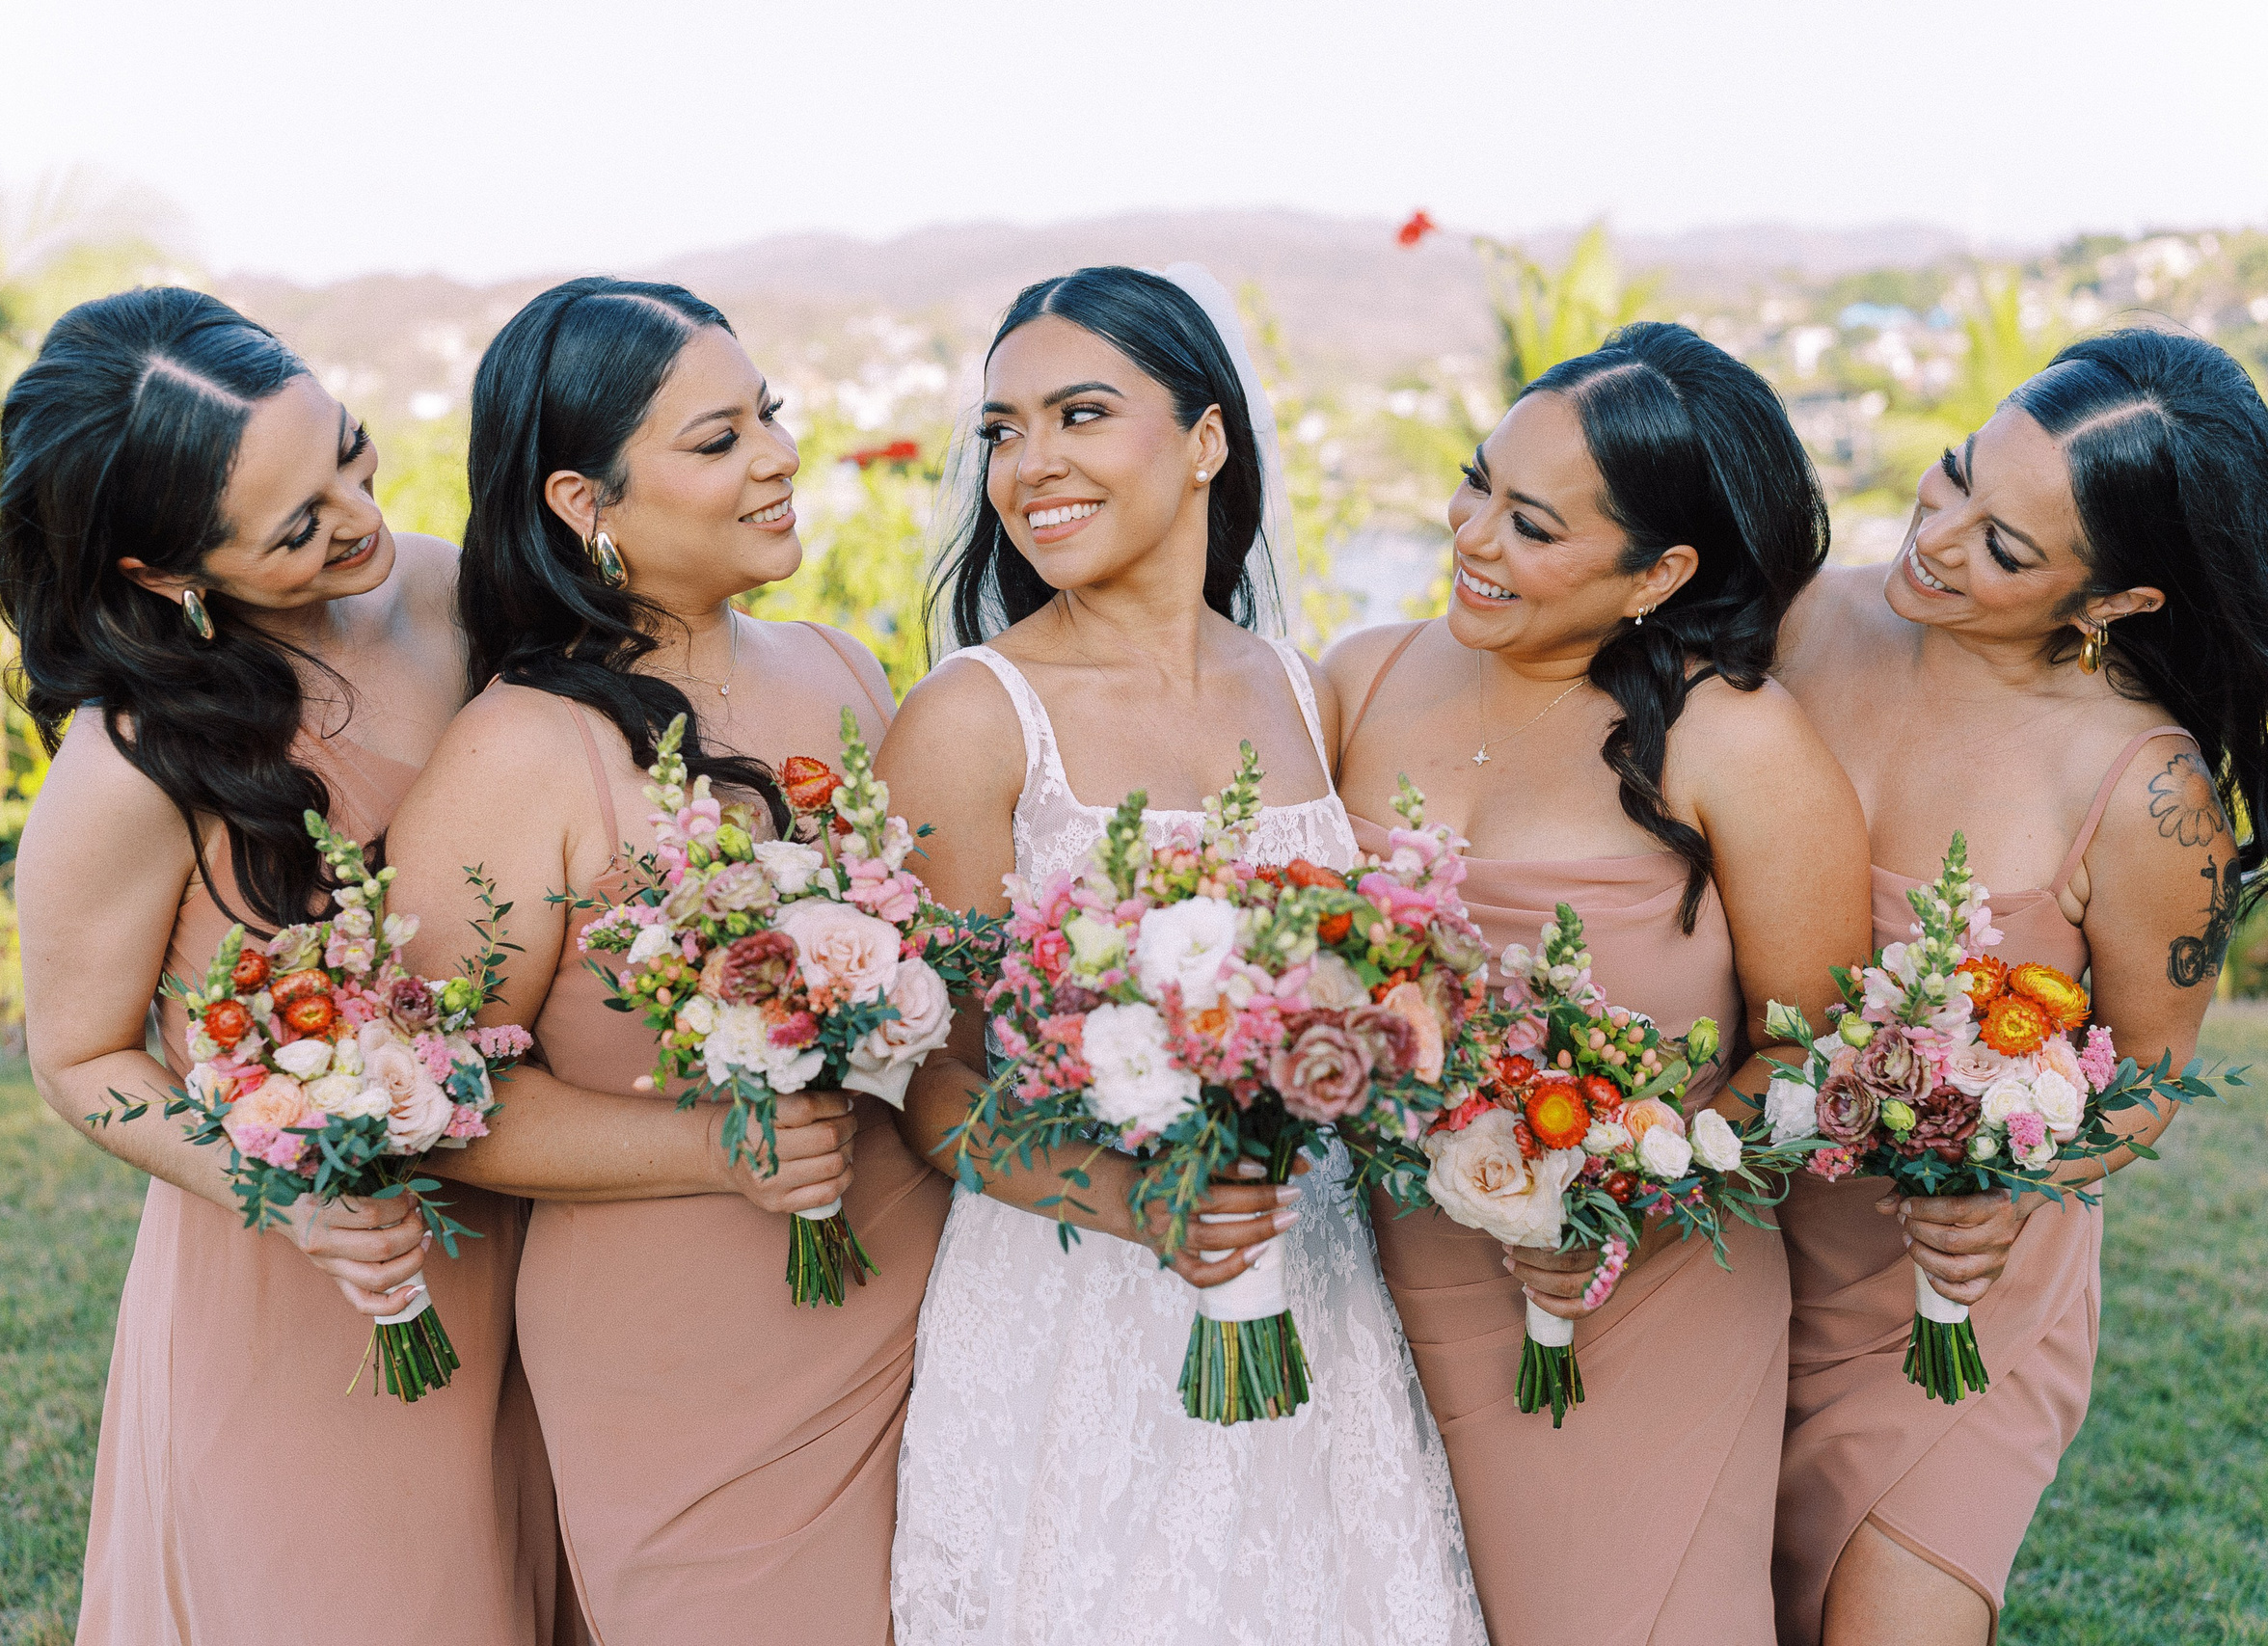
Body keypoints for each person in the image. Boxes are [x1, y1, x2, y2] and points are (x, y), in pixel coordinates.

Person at [881, 264, 1487, 1645]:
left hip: (1312, 1272)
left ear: (1207, 440)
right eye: (1002, 432)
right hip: (1075, 1295)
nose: (1033, 466)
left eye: (1081, 415)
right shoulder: (975, 720)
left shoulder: (1300, 687)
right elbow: (927, 1090)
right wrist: (1138, 1205)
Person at [0, 287, 561, 1645]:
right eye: (299, 526)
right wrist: (290, 1197)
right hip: (316, 1288)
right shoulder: (133, 763)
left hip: (536, 1229)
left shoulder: (453, 595)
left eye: (350, 455)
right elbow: (81, 1061)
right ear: (161, 573)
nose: (360, 519)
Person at [381, 277, 931, 1645]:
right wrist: (716, 1150)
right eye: (718, 439)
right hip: (687, 1353)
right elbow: (434, 1097)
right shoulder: (522, 751)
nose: (778, 458)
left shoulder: (845, 675)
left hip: (926, 1293)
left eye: (772, 417)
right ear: (585, 502)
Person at [1327, 321, 1872, 1645]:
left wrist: (1615, 1198)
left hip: (1635, 1307)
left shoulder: (1736, 741)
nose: (1472, 535)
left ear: (1660, 570)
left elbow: (1810, 1057)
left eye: (1531, 524)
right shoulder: (1360, 676)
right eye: (1476, 482)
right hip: (1373, 1287)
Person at [1769, 327, 2268, 1646]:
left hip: (1957, 1307)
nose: (1936, 538)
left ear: (2116, 603)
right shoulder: (1805, 621)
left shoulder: (2148, 796)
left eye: (2004, 547)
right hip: (1738, 1257)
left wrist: (2013, 1188)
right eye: (1952, 477)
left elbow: (2148, 1079)